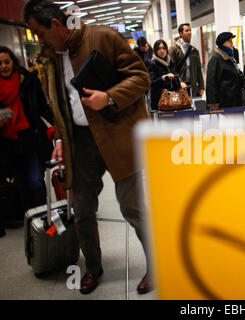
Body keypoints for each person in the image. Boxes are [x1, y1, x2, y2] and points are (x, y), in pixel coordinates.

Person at [23, 0, 152, 295]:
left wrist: (108, 96)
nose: (37, 40)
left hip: (118, 134)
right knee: (81, 211)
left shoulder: (102, 36)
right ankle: (93, 267)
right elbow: (58, 104)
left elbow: (141, 77)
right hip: (79, 143)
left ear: (56, 25)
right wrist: (58, 139)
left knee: (133, 208)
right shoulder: (49, 58)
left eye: (38, 33)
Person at [0, 46, 54, 232]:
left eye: (7, 62)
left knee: (36, 182)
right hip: (7, 145)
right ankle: (34, 225)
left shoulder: (28, 81)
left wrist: (56, 126)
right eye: (0, 63)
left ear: (13, 62)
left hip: (30, 139)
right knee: (21, 187)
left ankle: (47, 220)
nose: (4, 66)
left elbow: (41, 107)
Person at [206, 32, 244, 108]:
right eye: (229, 41)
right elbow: (211, 82)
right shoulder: (216, 59)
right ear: (222, 43)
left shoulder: (230, 58)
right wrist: (213, 103)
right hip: (225, 103)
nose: (232, 43)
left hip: (236, 101)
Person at [148, 40, 186, 110]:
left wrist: (181, 85)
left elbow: (176, 77)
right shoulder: (152, 63)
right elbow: (152, 82)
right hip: (159, 100)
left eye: (163, 48)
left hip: (173, 99)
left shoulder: (171, 61)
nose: (162, 51)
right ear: (155, 50)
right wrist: (164, 77)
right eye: (159, 49)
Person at [169, 23, 205, 97]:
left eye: (190, 30)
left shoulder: (194, 50)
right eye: (187, 30)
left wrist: (201, 87)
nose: (189, 32)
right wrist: (180, 82)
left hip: (193, 87)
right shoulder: (173, 50)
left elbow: (198, 70)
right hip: (180, 88)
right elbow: (172, 69)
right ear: (181, 33)